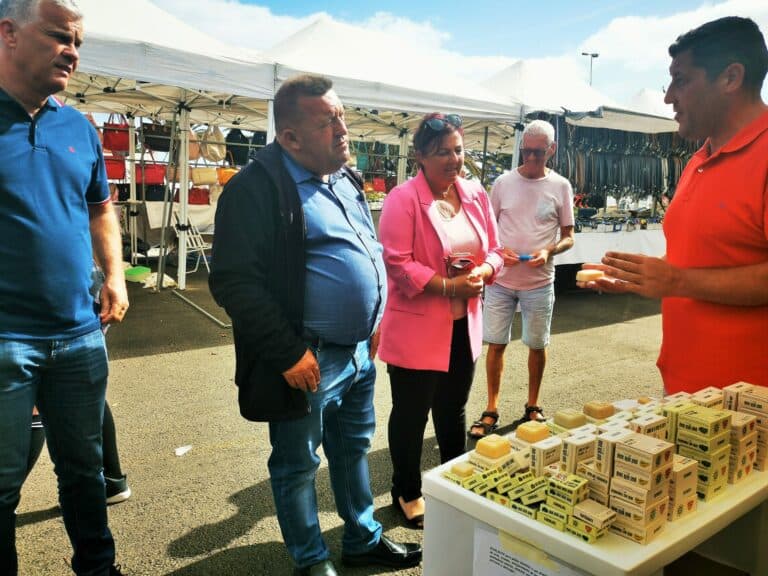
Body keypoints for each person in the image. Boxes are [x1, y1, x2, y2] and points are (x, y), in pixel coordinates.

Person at [209, 74, 421, 576]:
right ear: (290, 137)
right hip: (307, 357)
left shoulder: (343, 177)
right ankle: (310, 560)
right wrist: (286, 352)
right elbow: (235, 283)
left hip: (357, 351)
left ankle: (362, 537)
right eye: (328, 121)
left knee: (353, 449)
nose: (343, 128)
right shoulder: (254, 189)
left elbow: (366, 250)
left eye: (342, 115)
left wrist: (373, 318)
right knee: (298, 464)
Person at [0, 0, 129, 574]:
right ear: (8, 33)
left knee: (85, 470)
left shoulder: (77, 126)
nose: (72, 51)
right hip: (6, 340)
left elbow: (101, 209)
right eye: (58, 36)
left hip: (79, 335)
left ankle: (98, 568)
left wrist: (116, 276)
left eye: (78, 41)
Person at [579, 16, 768, 392]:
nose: (668, 97)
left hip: (750, 411)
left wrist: (677, 280)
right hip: (686, 394)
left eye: (681, 80)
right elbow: (701, 261)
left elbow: (688, 277)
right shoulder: (699, 159)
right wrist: (645, 276)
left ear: (731, 78)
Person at [377, 113, 503, 527]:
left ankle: (454, 482)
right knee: (411, 415)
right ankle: (407, 491)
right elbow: (397, 262)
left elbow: (496, 251)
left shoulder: (474, 193)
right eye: (442, 152)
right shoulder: (404, 198)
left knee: (454, 411)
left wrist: (483, 273)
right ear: (420, 156)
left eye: (458, 150)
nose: (453, 159)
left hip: (462, 326)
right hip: (417, 327)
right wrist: (449, 288)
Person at [470, 119, 575, 438]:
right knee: (496, 344)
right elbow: (486, 231)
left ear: (552, 150)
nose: (530, 159)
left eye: (538, 153)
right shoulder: (503, 183)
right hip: (501, 280)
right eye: (525, 151)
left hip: (540, 282)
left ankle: (533, 405)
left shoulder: (561, 186)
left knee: (536, 344)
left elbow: (569, 236)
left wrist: (549, 251)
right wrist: (500, 251)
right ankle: (491, 408)